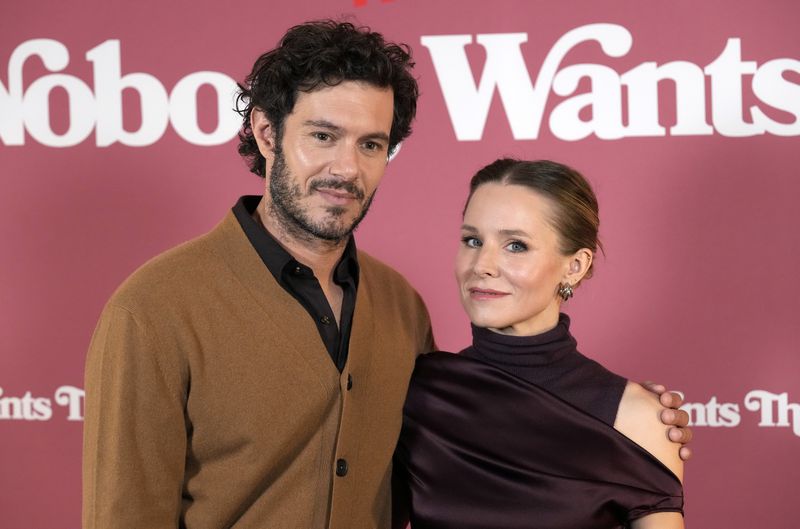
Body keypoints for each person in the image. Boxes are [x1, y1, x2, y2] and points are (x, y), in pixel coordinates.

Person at [82, 21, 690, 529]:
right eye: (323, 136)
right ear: (267, 133)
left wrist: (632, 430)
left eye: (371, 145)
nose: (345, 168)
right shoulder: (155, 308)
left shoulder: (400, 305)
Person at [394, 159, 686, 529]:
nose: (482, 264)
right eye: (473, 240)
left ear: (575, 266)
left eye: (516, 246)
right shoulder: (418, 394)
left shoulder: (637, 419)